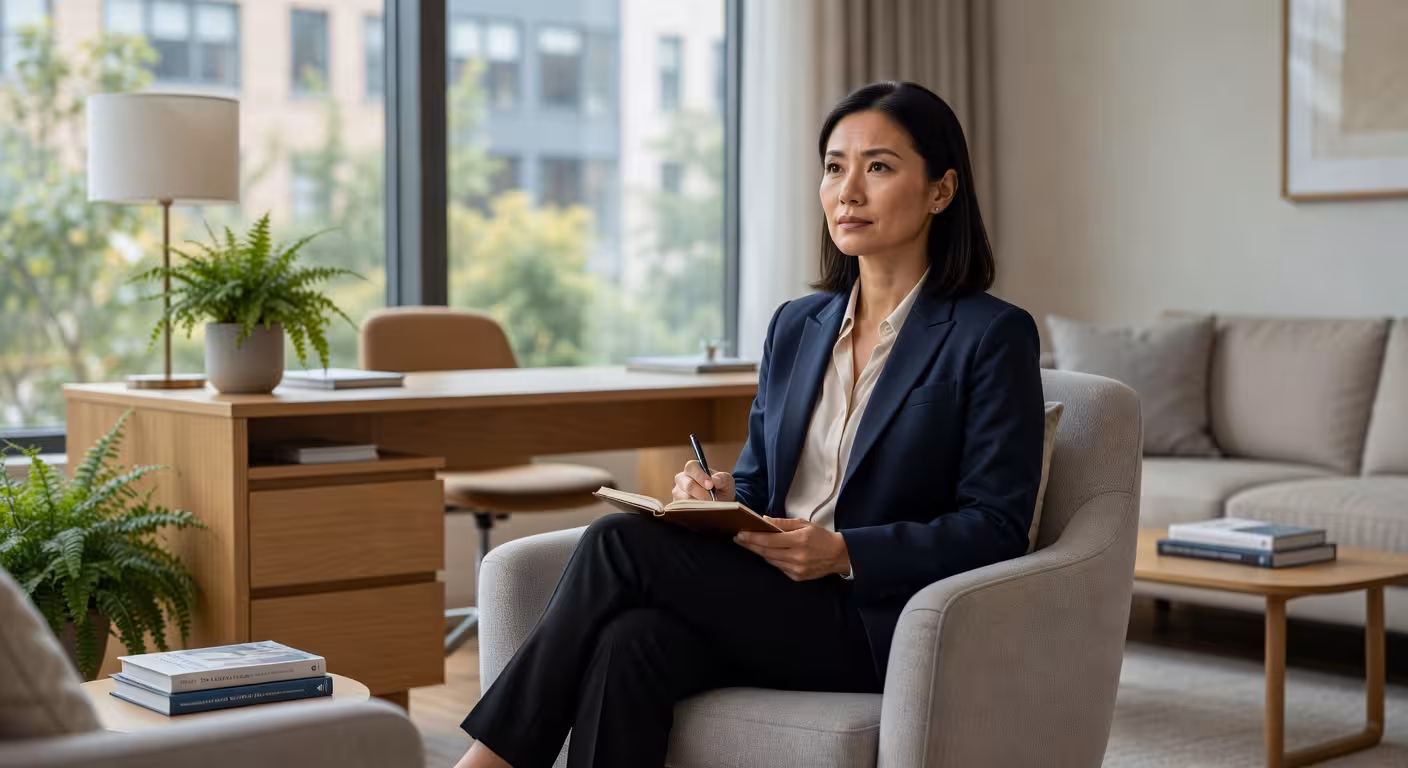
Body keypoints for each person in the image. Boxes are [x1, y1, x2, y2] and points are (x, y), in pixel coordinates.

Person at [452, 80, 1044, 768]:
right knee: (629, 642)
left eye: (878, 167)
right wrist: (718, 496)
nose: (848, 191)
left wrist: (845, 551)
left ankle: (487, 763)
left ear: (941, 191)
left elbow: (996, 526)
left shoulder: (990, 334)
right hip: (772, 597)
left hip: (874, 620)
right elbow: (763, 486)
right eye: (833, 167)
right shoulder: (798, 326)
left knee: (619, 543)